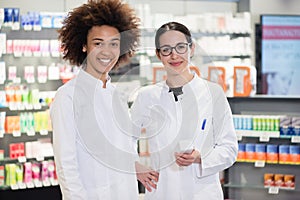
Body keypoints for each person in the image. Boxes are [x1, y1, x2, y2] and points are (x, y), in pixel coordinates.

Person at [131, 22, 238, 199]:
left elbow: (229, 148)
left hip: (202, 192)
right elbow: (124, 138)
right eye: (166, 49)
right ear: (158, 54)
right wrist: (136, 166)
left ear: (191, 48)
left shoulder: (213, 93)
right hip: (162, 190)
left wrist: (200, 157)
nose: (174, 55)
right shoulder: (146, 97)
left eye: (181, 47)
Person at [50, 0, 141, 199]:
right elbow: (66, 163)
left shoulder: (116, 95)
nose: (106, 52)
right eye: (98, 43)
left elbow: (125, 146)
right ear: (84, 45)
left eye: (114, 44)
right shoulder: (67, 97)